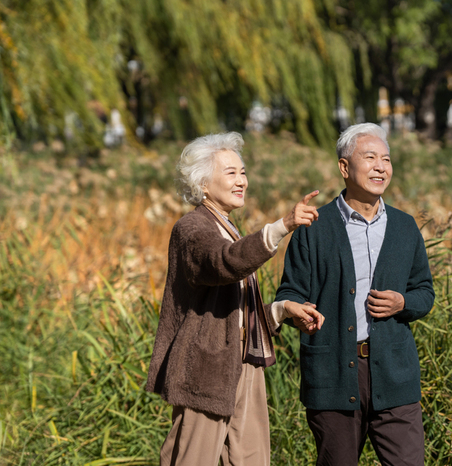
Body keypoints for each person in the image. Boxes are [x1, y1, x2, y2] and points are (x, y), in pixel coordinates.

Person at [146, 132, 324, 466]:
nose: (242, 180)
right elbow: (223, 262)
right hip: (205, 368)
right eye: (231, 173)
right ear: (202, 184)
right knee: (192, 459)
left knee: (251, 459)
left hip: (245, 363)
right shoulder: (192, 228)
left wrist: (281, 310)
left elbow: (233, 314)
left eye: (242, 172)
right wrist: (282, 226)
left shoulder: (228, 227)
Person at [274, 123, 435, 465]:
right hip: (333, 375)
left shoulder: (405, 227)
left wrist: (402, 303)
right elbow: (289, 291)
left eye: (386, 159)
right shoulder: (314, 228)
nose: (381, 166)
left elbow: (425, 293)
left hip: (395, 376)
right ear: (344, 167)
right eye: (370, 157)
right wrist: (295, 311)